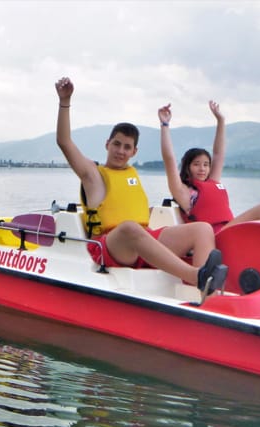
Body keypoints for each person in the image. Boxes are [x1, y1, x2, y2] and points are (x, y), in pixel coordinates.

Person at [54, 77, 227, 296]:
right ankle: (198, 276)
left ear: (134, 152)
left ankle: (203, 296)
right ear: (107, 144)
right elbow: (64, 141)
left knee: (202, 228)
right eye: (116, 144)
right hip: (112, 246)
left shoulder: (131, 175)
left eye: (127, 147)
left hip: (143, 239)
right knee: (129, 228)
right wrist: (65, 102)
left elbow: (130, 207)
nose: (120, 151)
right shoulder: (93, 175)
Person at [159, 101, 260, 234]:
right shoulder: (183, 192)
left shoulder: (212, 182)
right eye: (196, 164)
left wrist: (221, 120)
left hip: (229, 231)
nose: (202, 169)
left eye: (206, 164)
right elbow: (169, 159)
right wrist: (164, 125)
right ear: (187, 167)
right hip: (212, 238)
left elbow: (218, 154)